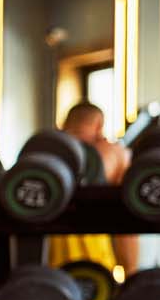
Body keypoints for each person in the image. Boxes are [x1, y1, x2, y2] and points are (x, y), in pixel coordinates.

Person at [49, 101, 138, 273]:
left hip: (45, 257)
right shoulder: (114, 153)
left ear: (66, 123)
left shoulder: (42, 151)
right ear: (99, 126)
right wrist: (131, 273)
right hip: (92, 262)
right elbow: (126, 222)